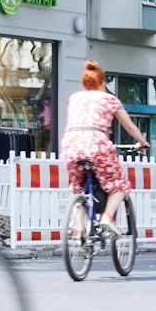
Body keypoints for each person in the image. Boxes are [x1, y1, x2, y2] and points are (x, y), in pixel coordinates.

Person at [59, 61, 149, 240]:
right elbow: (129, 127)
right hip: (96, 144)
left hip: (70, 144)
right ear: (102, 83)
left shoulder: (75, 98)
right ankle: (107, 217)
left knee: (78, 187)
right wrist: (142, 142)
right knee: (119, 185)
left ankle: (79, 228)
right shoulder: (109, 99)